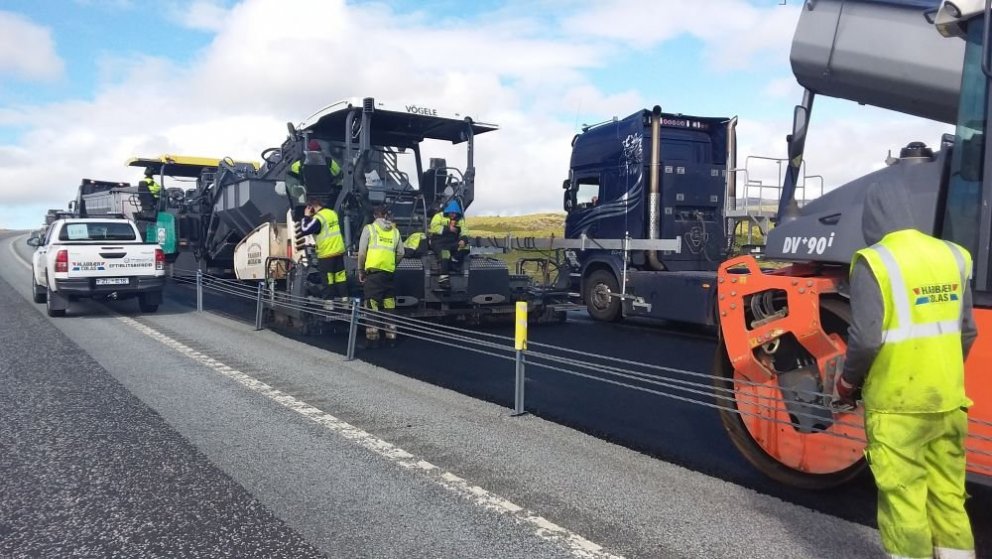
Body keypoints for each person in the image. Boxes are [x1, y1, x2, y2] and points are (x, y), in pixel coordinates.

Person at [835, 182, 978, 559]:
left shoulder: (874, 262)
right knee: (949, 497)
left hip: (897, 408)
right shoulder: (954, 255)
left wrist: (847, 382)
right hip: (948, 401)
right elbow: (968, 331)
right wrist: (941, 370)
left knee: (904, 500)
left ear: (872, 217)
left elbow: (866, 339)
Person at [357, 205, 404, 346]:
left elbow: (362, 252)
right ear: (386, 216)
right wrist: (391, 264)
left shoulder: (370, 229)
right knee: (389, 304)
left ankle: (372, 338)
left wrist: (361, 270)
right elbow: (401, 253)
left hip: (374, 274)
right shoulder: (395, 232)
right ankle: (391, 337)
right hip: (389, 274)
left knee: (372, 305)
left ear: (374, 216)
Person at [299, 196, 348, 306]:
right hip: (338, 250)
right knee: (340, 276)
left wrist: (306, 216)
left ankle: (329, 302)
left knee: (328, 278)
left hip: (326, 252)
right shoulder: (332, 213)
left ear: (311, 207)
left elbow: (304, 230)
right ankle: (345, 300)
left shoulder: (319, 218)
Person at [428, 199, 470, 286]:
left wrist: (463, 240)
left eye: (455, 213)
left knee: (466, 248)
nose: (453, 215)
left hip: (452, 241)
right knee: (445, 254)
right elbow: (433, 228)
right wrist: (448, 229)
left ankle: (453, 262)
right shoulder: (439, 216)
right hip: (438, 241)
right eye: (451, 213)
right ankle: (443, 278)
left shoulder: (460, 220)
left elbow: (465, 231)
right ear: (448, 211)